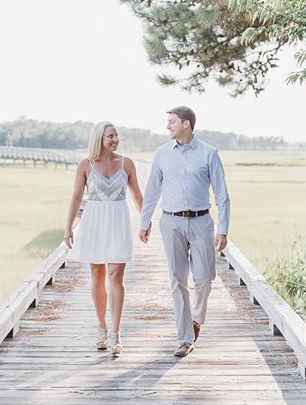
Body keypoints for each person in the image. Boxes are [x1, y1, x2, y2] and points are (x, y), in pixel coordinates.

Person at [139, 106, 230, 357]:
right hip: (171, 223)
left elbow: (222, 195)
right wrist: (144, 221)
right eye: (168, 122)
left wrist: (222, 229)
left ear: (186, 124)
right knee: (177, 281)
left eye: (172, 122)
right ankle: (185, 338)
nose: (168, 126)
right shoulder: (161, 154)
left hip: (201, 222)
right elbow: (152, 190)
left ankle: (197, 319)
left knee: (204, 278)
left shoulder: (209, 153)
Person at [64, 121, 146, 356]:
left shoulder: (126, 163)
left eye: (117, 135)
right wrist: (68, 227)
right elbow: (76, 198)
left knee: (116, 275)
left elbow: (137, 194)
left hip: (118, 222)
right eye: (111, 136)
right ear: (99, 138)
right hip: (94, 222)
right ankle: (102, 328)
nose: (115, 139)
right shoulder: (86, 165)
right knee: (97, 274)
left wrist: (145, 221)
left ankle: (116, 335)